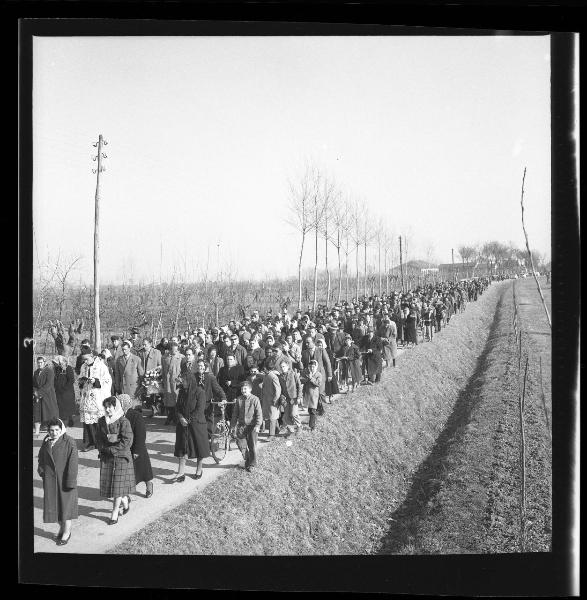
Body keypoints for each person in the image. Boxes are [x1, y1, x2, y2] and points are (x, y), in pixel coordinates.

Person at [37, 417, 78, 545]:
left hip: (65, 480)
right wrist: (42, 471)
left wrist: (70, 481)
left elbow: (73, 463)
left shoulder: (69, 442)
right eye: (51, 430)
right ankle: (62, 528)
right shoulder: (46, 441)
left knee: (66, 508)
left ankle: (66, 533)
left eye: (56, 430)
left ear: (61, 429)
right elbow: (41, 457)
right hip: (50, 480)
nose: (54, 433)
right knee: (54, 507)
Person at [96, 396, 135, 525]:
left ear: (116, 407)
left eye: (110, 407)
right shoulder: (102, 421)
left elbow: (127, 441)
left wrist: (113, 449)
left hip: (121, 457)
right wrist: (102, 448)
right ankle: (124, 500)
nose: (107, 409)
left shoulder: (124, 421)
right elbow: (98, 438)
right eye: (105, 407)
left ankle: (114, 512)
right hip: (107, 456)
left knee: (117, 484)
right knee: (111, 484)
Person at [173, 370, 209, 482]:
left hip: (196, 425)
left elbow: (200, 409)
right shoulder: (182, 392)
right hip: (183, 424)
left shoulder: (200, 392)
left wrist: (188, 420)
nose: (182, 383)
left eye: (184, 381)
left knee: (198, 448)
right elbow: (177, 407)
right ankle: (181, 473)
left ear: (190, 381)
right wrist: (181, 418)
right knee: (182, 448)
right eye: (182, 381)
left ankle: (199, 469)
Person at [119, 394, 154, 498]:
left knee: (143, 470)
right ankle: (126, 495)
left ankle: (149, 485)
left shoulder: (135, 415)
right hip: (125, 448)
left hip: (136, 448)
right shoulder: (118, 416)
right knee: (126, 473)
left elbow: (141, 434)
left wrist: (137, 451)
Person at [78, 352, 112, 451]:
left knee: (98, 421)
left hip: (98, 397)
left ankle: (101, 442)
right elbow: (80, 378)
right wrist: (82, 381)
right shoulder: (83, 366)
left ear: (92, 356)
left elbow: (107, 380)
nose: (85, 361)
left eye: (87, 359)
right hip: (87, 396)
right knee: (87, 421)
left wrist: (96, 381)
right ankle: (89, 442)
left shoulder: (101, 366)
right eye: (83, 359)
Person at [230, 380, 263, 472]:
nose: (243, 390)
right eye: (242, 389)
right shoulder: (239, 399)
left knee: (252, 445)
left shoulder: (255, 399)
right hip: (241, 426)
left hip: (252, 426)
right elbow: (235, 414)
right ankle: (247, 459)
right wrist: (232, 426)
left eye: (245, 389)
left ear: (250, 389)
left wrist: (258, 425)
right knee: (240, 443)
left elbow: (259, 413)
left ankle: (252, 464)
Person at [33, 356, 59, 438]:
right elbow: (33, 384)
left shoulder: (49, 371)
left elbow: (49, 384)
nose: (39, 364)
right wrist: (35, 392)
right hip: (37, 396)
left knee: (49, 413)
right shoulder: (36, 372)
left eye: (41, 362)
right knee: (37, 413)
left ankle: (53, 431)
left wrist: (39, 393)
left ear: (44, 362)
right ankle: (37, 431)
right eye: (38, 362)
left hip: (48, 395)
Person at [301, 336, 332, 402]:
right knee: (312, 394)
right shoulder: (304, 353)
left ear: (313, 342)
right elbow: (303, 366)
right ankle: (313, 409)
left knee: (320, 393)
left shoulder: (321, 350)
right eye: (305, 343)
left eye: (308, 342)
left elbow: (327, 362)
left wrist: (329, 374)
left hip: (320, 375)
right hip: (309, 376)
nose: (306, 344)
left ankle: (320, 409)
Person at [161, 341, 184, 425]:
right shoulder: (164, 357)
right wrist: (163, 381)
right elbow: (163, 370)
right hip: (167, 382)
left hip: (177, 382)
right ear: (170, 350)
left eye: (176, 350)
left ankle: (175, 417)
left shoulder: (181, 357)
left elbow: (183, 371)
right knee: (168, 401)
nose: (175, 352)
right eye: (173, 350)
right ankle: (170, 416)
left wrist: (181, 381)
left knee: (176, 400)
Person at [278, 359, 302, 436]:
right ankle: (291, 430)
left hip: (294, 397)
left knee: (294, 413)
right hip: (286, 399)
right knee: (286, 415)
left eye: (284, 366)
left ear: (288, 366)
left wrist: (299, 397)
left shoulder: (293, 374)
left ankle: (299, 426)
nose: (282, 368)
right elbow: (280, 389)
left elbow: (299, 386)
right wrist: (282, 398)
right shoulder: (280, 377)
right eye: (281, 367)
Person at [138, 337, 162, 416]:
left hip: (153, 377)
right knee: (144, 394)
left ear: (150, 344)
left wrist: (154, 372)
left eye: (145, 344)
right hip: (143, 376)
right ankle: (150, 408)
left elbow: (160, 365)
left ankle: (155, 408)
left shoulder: (157, 352)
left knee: (153, 394)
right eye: (143, 344)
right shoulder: (140, 353)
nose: (144, 346)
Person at [51, 356, 77, 427]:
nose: (54, 364)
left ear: (60, 362)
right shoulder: (55, 369)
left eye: (55, 363)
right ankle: (61, 423)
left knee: (68, 406)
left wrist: (64, 388)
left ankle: (70, 419)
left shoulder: (68, 368)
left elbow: (71, 380)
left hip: (67, 392)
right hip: (58, 391)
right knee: (60, 407)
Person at [300, 360, 322, 431]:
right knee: (309, 410)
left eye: (313, 367)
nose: (312, 368)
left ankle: (312, 426)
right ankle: (312, 423)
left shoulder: (318, 374)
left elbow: (318, 384)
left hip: (314, 395)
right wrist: (305, 379)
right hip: (307, 394)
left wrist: (311, 378)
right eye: (310, 367)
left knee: (312, 410)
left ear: (316, 367)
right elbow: (301, 379)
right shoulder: (306, 373)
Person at [261, 366, 281, 440]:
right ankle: (277, 429)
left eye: (263, 369)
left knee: (272, 417)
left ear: (266, 369)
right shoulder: (266, 376)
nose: (263, 371)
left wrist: (275, 399)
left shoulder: (273, 377)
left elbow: (278, 389)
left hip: (273, 400)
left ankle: (271, 435)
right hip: (267, 400)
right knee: (271, 415)